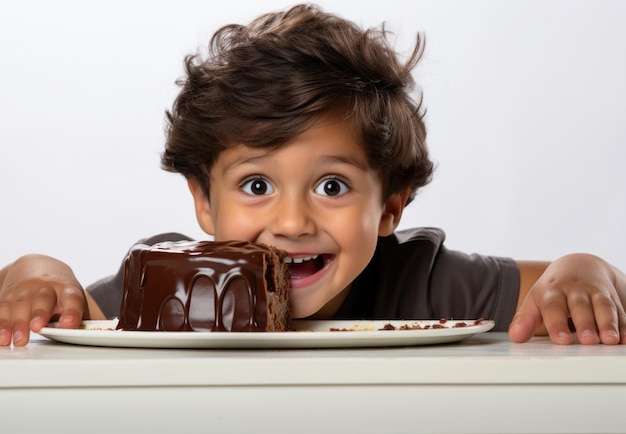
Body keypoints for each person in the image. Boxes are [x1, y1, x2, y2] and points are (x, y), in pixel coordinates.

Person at [1, 3, 625, 347]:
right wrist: (34, 271)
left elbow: (565, 287)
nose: (293, 222)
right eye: (256, 185)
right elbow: (67, 313)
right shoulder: (174, 283)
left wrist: (585, 270)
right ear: (203, 203)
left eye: (332, 186)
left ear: (390, 207)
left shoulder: (423, 281)